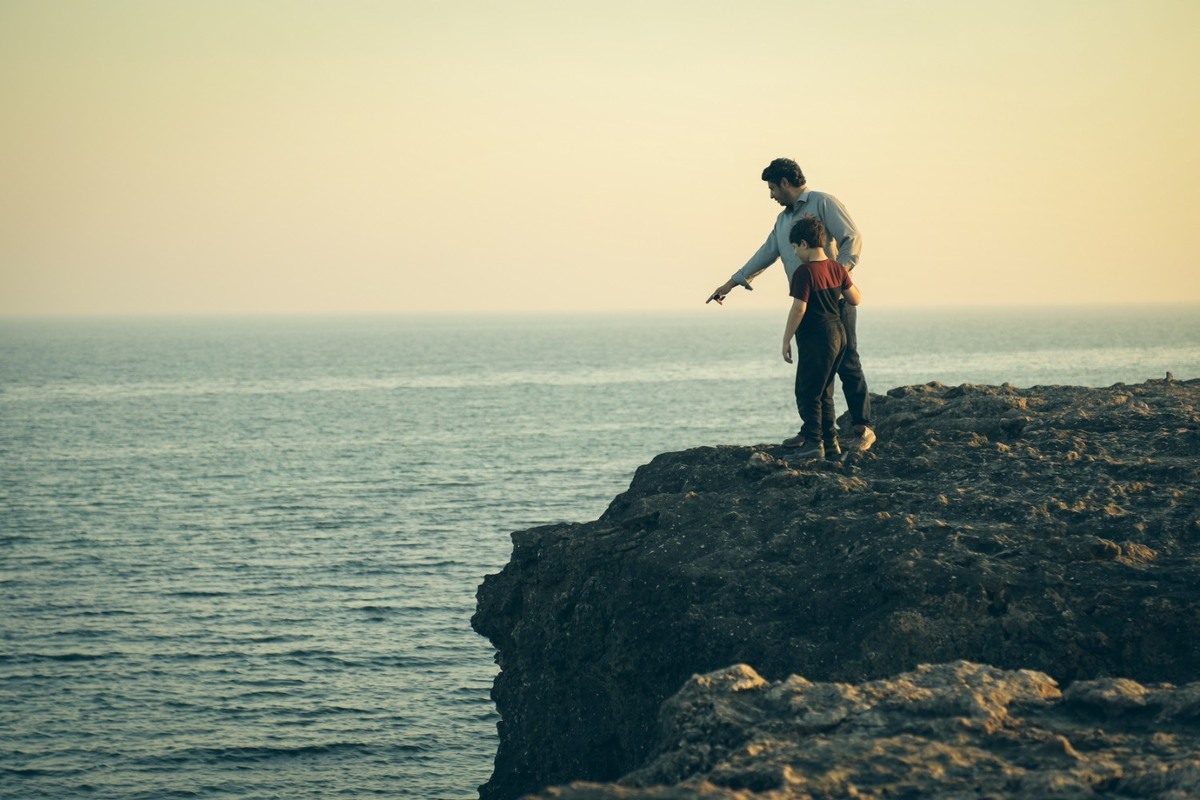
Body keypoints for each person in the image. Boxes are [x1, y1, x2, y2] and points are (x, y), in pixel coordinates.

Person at [706, 158, 875, 453]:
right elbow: (766, 252)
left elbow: (853, 238)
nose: (771, 195)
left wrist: (838, 274)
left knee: (847, 362)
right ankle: (818, 431)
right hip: (807, 305)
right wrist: (731, 283)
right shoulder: (783, 220)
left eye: (772, 188)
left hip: (835, 302)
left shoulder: (823, 202)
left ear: (785, 183)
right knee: (815, 371)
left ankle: (862, 427)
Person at [781, 216, 860, 459]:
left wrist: (786, 339)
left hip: (817, 338)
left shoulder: (804, 273)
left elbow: (799, 308)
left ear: (804, 244)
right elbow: (855, 298)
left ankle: (814, 444)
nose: (794, 253)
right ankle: (831, 444)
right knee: (824, 391)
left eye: (795, 247)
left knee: (808, 392)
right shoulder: (836, 267)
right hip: (839, 334)